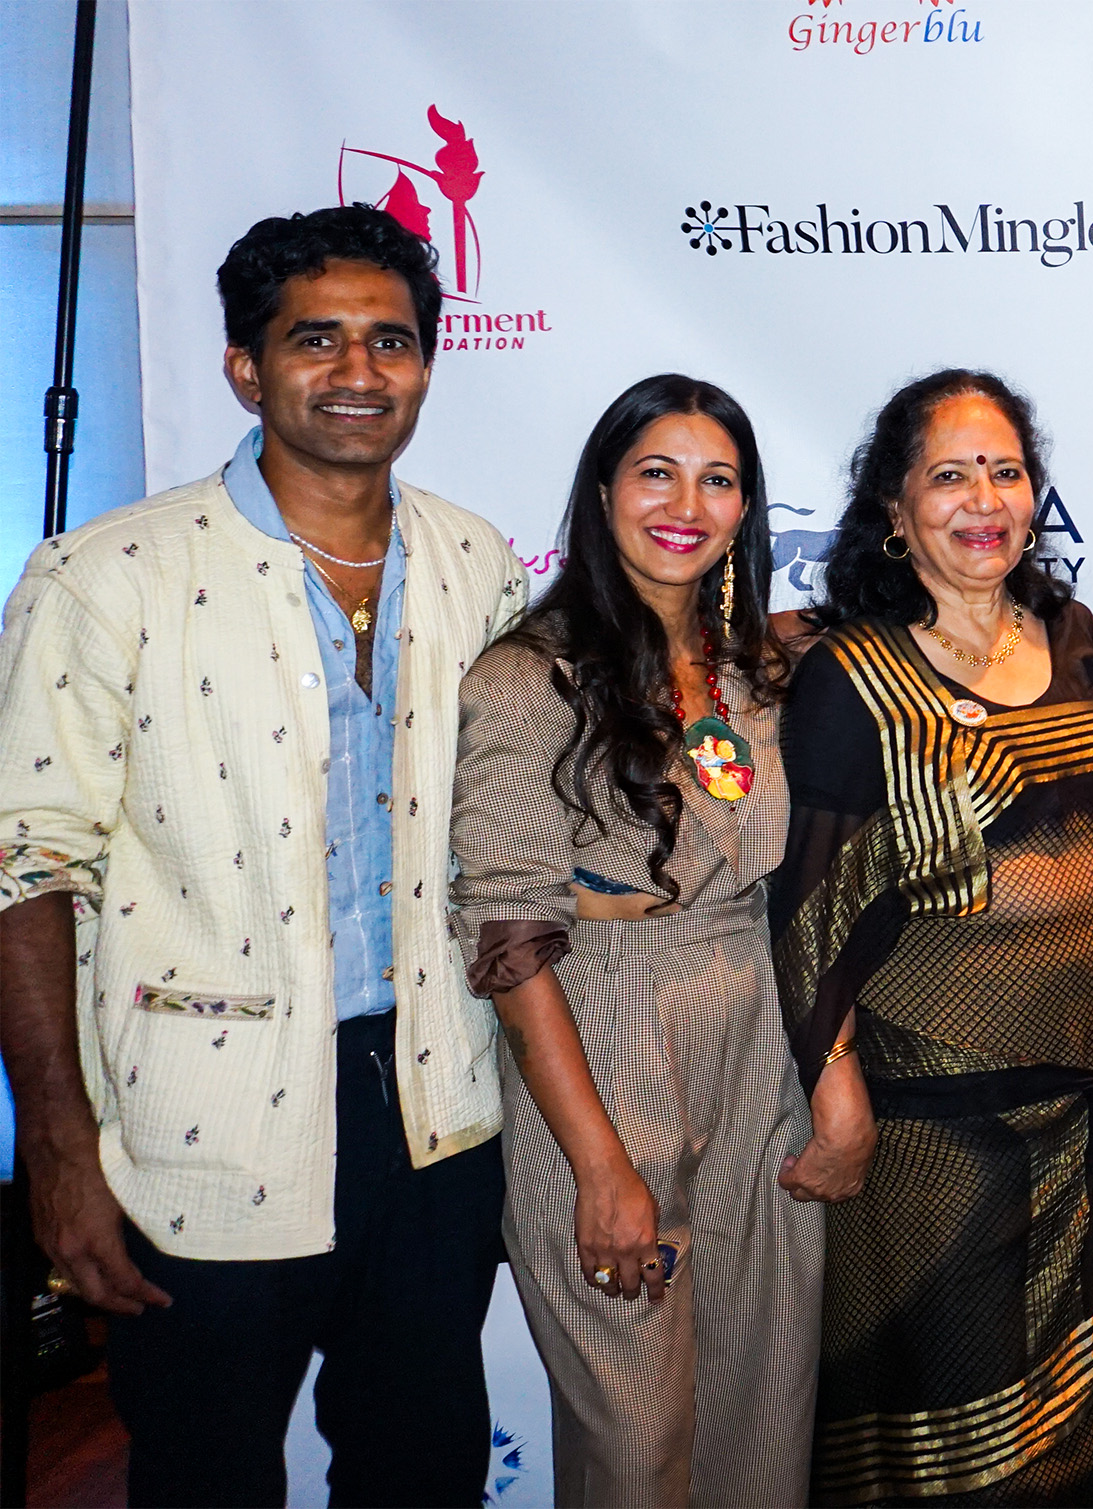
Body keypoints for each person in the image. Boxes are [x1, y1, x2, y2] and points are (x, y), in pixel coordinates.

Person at [0, 206, 523, 1505]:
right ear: (246, 365)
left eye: (391, 341)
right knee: (203, 1476)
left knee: (424, 1470)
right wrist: (59, 1153)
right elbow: (26, 870)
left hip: (433, 1112)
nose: (359, 372)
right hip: (200, 1129)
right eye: (317, 340)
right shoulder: (104, 576)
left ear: (426, 363)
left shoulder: (476, 563)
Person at [774, 369, 1093, 1505]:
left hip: (1079, 1121)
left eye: (1004, 471)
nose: (983, 497)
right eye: (948, 476)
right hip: (928, 1137)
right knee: (943, 1461)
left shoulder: (1074, 635)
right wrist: (834, 1090)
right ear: (895, 512)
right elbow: (807, 913)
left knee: (1073, 1451)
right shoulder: (854, 676)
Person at [447, 374, 833, 1506]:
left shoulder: (760, 673)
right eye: (657, 471)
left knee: (766, 1419)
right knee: (637, 1448)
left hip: (756, 1037)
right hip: (605, 1043)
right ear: (603, 488)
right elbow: (510, 941)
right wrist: (598, 1167)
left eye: (719, 480)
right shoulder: (527, 679)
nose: (687, 503)